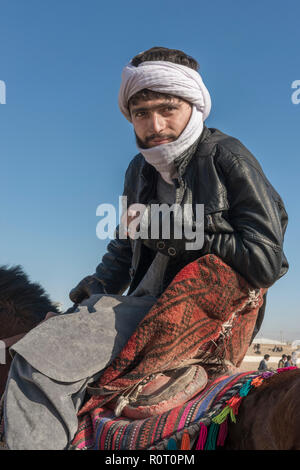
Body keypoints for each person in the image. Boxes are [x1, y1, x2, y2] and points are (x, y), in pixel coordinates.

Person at [2, 46, 289, 450]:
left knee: (38, 361)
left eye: (167, 109)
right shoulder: (139, 170)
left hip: (203, 307)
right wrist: (96, 286)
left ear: (193, 105)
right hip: (142, 301)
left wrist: (183, 231)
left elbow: (267, 261)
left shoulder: (229, 158)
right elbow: (125, 247)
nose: (154, 124)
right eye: (141, 113)